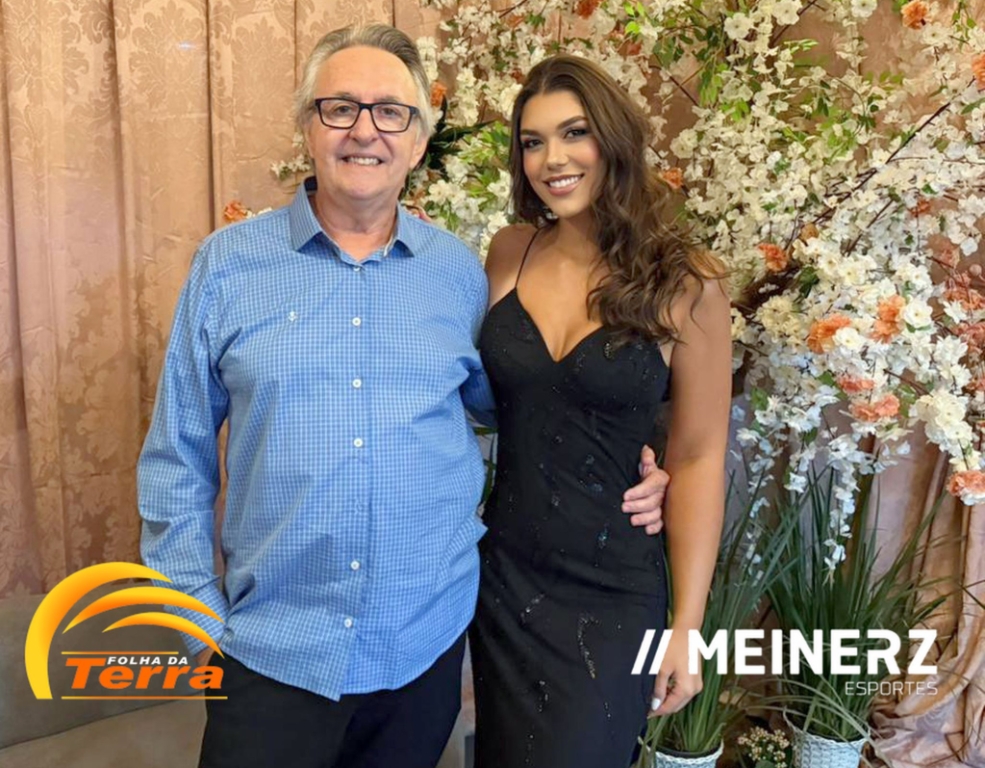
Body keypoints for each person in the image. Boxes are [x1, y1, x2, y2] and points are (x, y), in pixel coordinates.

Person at [137, 26, 669, 768]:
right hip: (270, 655)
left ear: (418, 141)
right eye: (340, 108)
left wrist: (636, 467)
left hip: (422, 652)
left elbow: (519, 404)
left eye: (391, 112)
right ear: (307, 126)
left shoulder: (460, 275)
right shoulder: (227, 268)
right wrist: (200, 629)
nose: (365, 131)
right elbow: (176, 457)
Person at [468, 55, 732, 768]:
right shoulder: (507, 253)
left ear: (612, 139)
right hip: (505, 580)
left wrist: (687, 626)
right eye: (532, 142)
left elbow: (699, 454)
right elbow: (485, 399)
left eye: (573, 133)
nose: (551, 159)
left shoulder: (687, 283)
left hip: (614, 591)